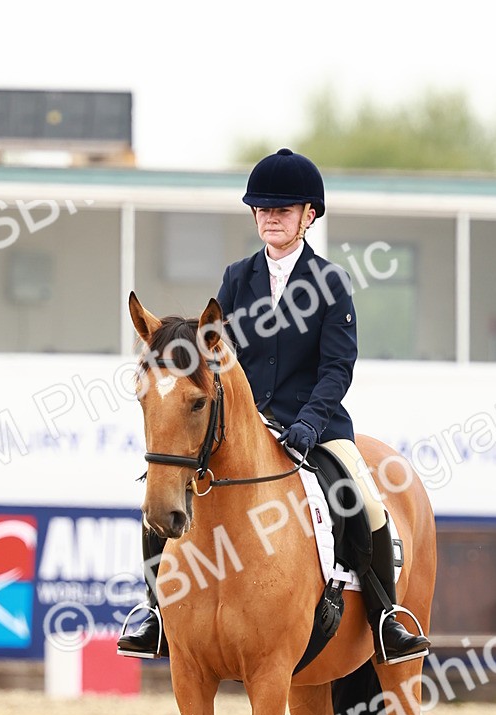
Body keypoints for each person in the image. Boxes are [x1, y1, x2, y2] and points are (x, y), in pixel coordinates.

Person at [118, 148, 430, 665]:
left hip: (318, 426)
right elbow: (213, 357)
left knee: (365, 499)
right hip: (244, 427)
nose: (271, 218)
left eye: (283, 210)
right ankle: (155, 612)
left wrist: (309, 422)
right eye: (263, 209)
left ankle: (384, 617)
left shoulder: (330, 283)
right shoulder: (237, 279)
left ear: (309, 216)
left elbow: (338, 367)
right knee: (159, 498)